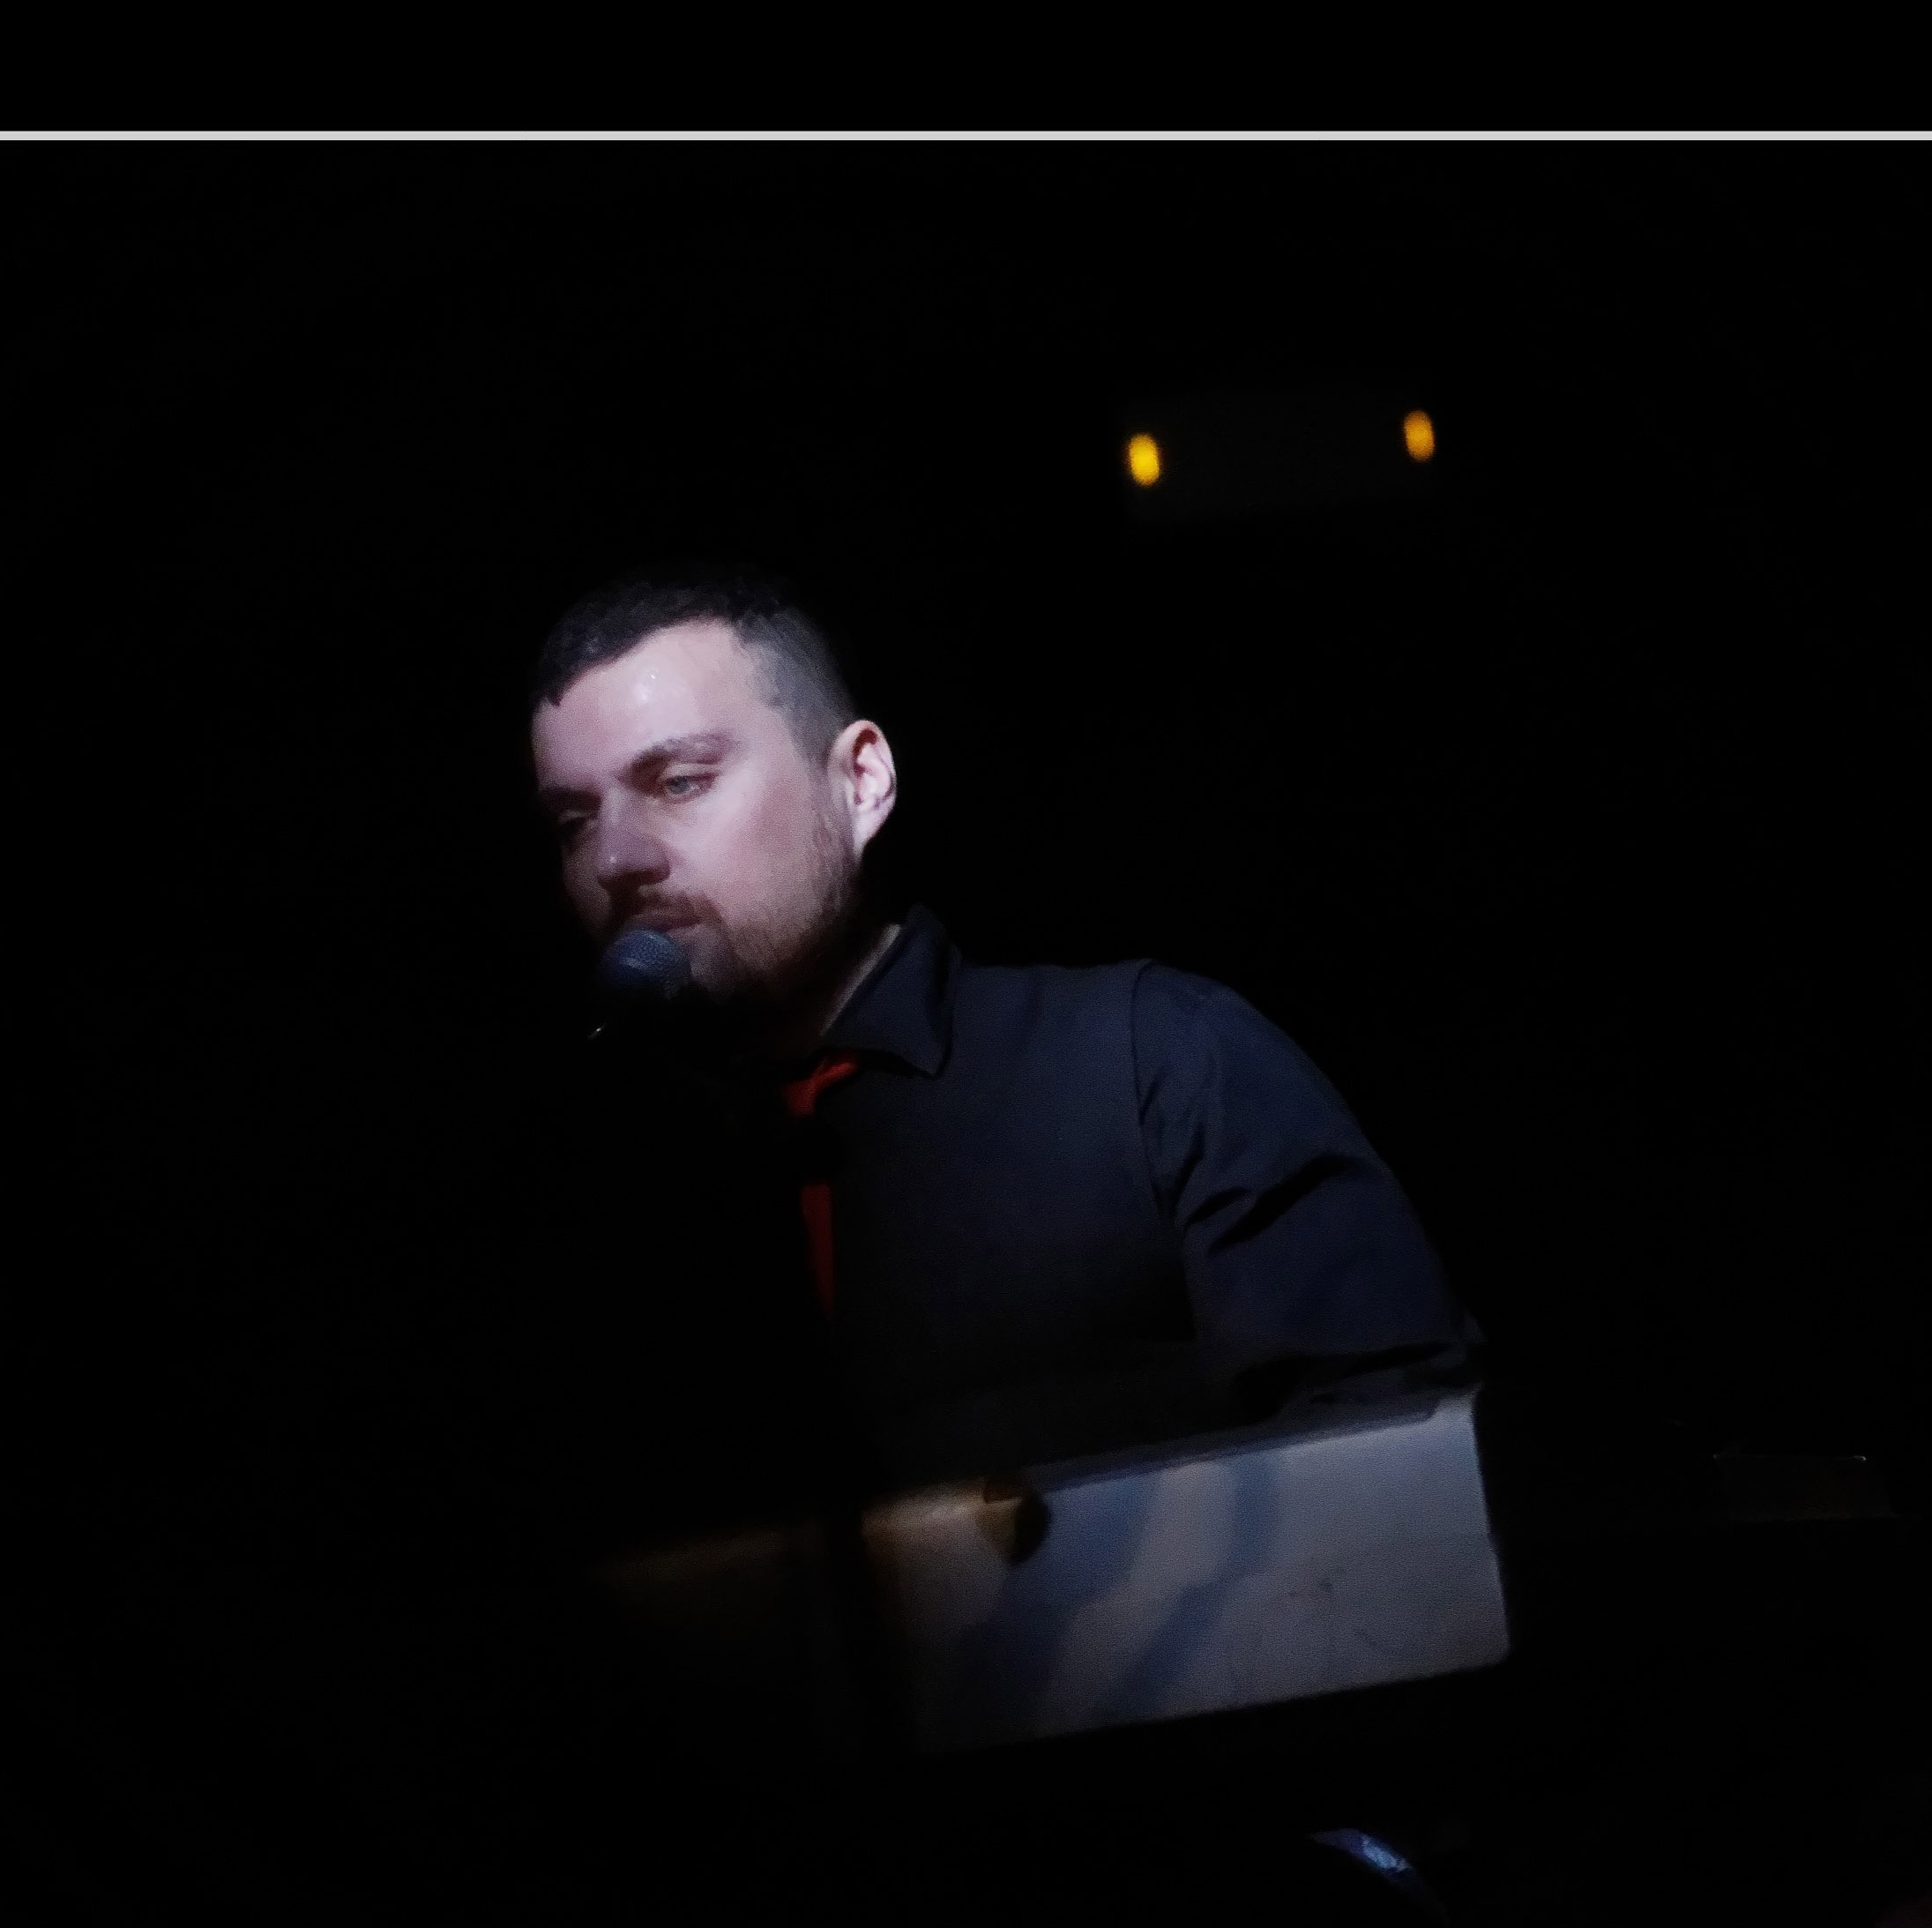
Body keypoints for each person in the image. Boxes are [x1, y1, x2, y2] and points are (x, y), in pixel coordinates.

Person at [527, 572, 1477, 1508]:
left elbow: (1404, 1483)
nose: (614, 858)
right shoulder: (607, 1193)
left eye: (680, 782)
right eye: (574, 822)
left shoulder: (1153, 1058)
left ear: (861, 782)